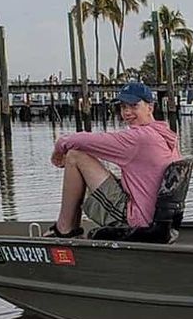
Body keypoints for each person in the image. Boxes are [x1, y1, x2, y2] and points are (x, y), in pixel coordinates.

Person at [46, 80, 180, 237]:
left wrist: (59, 148)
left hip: (138, 220)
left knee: (75, 156)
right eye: (123, 107)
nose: (127, 112)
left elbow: (86, 140)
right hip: (158, 218)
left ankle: (64, 229)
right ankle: (69, 225)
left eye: (134, 106)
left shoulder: (139, 139)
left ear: (150, 107)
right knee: (86, 158)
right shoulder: (166, 134)